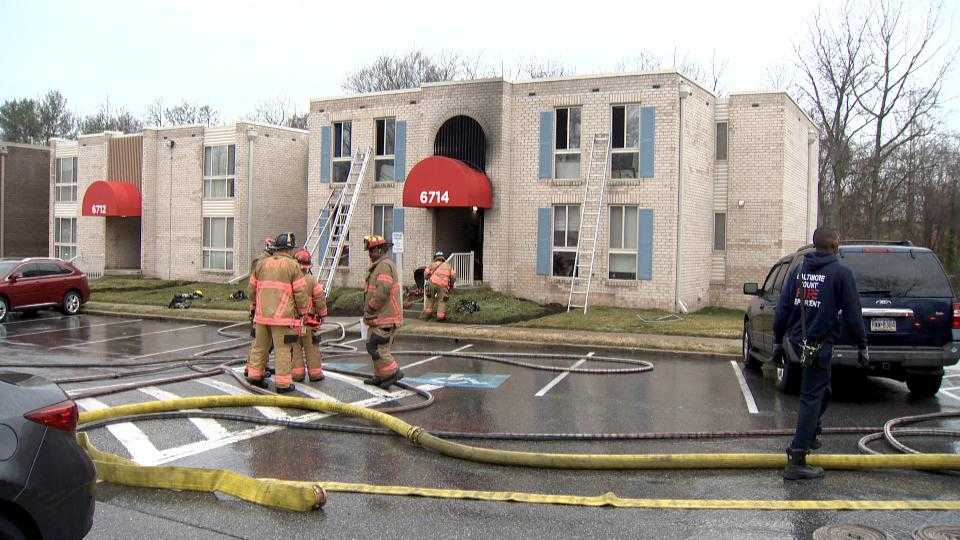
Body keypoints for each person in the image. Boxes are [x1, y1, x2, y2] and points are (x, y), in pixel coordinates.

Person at [773, 227, 869, 480]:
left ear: (815, 246)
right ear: (835, 245)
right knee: (811, 398)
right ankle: (797, 458)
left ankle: (812, 433)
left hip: (797, 343)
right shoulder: (841, 273)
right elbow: (852, 313)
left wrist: (777, 341)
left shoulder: (798, 271)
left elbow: (782, 309)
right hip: (817, 345)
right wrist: (862, 344)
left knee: (822, 391)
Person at [246, 233, 318, 393]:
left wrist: (258, 306)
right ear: (290, 248)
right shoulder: (293, 266)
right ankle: (283, 384)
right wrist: (303, 313)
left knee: (259, 347)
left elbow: (251, 290)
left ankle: (255, 376)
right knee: (283, 349)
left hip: (261, 316)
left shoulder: (261, 264)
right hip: (283, 318)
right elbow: (300, 293)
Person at [361, 234, 404, 389]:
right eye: (369, 251)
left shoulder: (384, 265)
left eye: (372, 250)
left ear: (380, 249)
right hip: (379, 316)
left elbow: (383, 291)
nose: (370, 254)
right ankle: (380, 376)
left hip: (384, 316)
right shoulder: (379, 265)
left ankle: (393, 373)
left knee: (379, 347)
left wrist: (371, 307)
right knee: (372, 346)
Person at [292, 248, 327, 383]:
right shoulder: (312, 280)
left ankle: (297, 374)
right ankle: (315, 373)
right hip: (310, 322)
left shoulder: (290, 280)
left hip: (292, 323)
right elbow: (320, 299)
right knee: (312, 348)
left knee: (294, 349)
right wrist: (323, 315)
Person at [422, 251, 456, 321]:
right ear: (443, 258)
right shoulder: (448, 266)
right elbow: (453, 277)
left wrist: (427, 278)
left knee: (430, 299)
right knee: (442, 301)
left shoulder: (432, 264)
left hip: (432, 283)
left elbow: (425, 274)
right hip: (443, 285)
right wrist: (451, 285)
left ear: (435, 257)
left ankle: (427, 315)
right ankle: (440, 317)